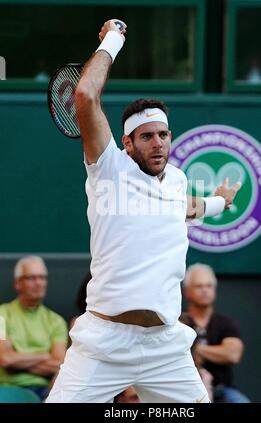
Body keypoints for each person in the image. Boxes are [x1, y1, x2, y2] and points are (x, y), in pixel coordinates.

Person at [46, 19, 241, 403]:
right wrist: (115, 37)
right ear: (127, 143)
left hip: (165, 346)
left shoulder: (177, 182)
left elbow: (186, 208)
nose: (157, 143)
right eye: (147, 136)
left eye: (163, 135)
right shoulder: (109, 168)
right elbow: (85, 94)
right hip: (105, 343)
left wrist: (221, 202)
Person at [0, 256, 68, 401]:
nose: (39, 283)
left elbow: (60, 364)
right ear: (18, 283)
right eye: (31, 278)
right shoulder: (1, 315)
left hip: (47, 390)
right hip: (9, 389)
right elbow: (5, 359)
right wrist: (44, 355)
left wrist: (18, 362)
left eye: (42, 277)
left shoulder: (56, 321)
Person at [180, 264, 250, 403]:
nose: (205, 290)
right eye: (199, 286)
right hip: (184, 388)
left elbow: (233, 354)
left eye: (209, 286)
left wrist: (195, 349)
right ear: (187, 291)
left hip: (222, 390)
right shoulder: (179, 322)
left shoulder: (226, 323)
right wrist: (214, 352)